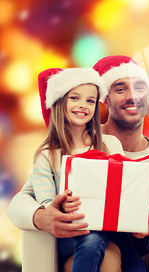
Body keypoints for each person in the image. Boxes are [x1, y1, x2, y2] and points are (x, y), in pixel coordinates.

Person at [9, 55, 149, 272]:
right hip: (89, 249)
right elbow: (22, 201)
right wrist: (42, 216)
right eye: (120, 88)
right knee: (106, 253)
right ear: (104, 99)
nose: (132, 96)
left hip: (137, 252)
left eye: (139, 87)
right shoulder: (74, 149)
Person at [32, 67, 130, 272]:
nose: (83, 105)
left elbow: (125, 190)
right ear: (59, 101)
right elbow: (47, 205)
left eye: (90, 100)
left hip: (112, 230)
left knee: (135, 263)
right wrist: (61, 206)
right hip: (72, 233)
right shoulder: (46, 155)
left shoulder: (110, 145)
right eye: (74, 98)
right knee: (92, 236)